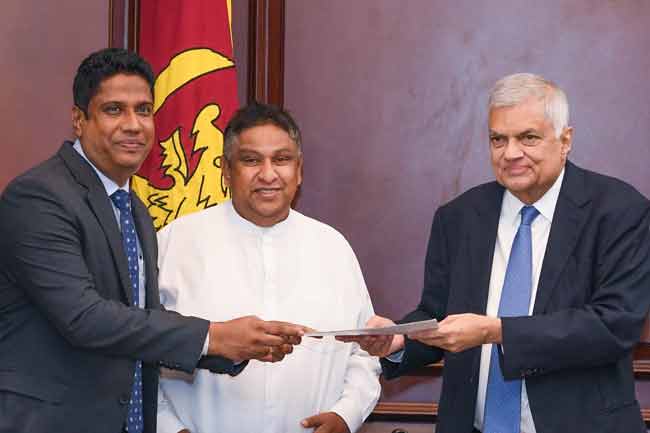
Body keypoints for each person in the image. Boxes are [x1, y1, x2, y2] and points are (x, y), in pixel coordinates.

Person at [0, 49, 304, 433]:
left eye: (144, 110)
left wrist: (234, 347)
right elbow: (84, 318)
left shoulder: (135, 210)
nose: (133, 125)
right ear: (79, 120)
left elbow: (144, 318)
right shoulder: (39, 197)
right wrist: (213, 337)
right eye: (114, 110)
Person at [342, 73, 650, 433]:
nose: (511, 153)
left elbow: (614, 325)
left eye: (528, 138)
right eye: (498, 139)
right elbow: (438, 315)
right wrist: (400, 340)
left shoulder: (619, 211)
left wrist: (497, 331)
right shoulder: (458, 218)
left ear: (565, 140)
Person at [155, 102, 381, 433]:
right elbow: (139, 351)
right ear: (226, 169)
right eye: (251, 160)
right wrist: (170, 429)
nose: (268, 174)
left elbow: (364, 351)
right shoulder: (174, 243)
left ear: (299, 170)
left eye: (281, 159)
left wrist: (346, 416)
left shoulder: (333, 248)